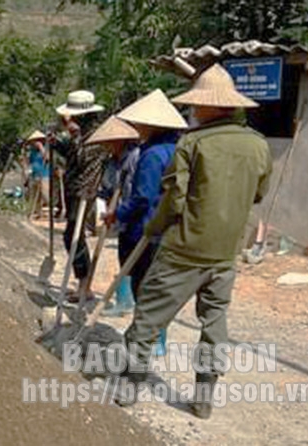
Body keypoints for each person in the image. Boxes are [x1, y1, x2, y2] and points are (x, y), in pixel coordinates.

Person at [115, 65, 272, 419]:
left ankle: (129, 385)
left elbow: (173, 200)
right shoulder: (259, 145)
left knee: (149, 318)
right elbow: (258, 194)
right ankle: (203, 399)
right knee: (214, 324)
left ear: (207, 106)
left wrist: (153, 229)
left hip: (185, 250)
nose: (192, 110)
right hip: (226, 253)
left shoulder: (193, 143)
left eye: (196, 104)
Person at [103, 90, 189, 356]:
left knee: (145, 287)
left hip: (146, 229)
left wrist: (118, 214)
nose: (136, 128)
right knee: (157, 288)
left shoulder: (151, 155)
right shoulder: (177, 148)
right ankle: (154, 338)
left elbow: (143, 197)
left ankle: (150, 340)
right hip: (168, 228)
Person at [51, 90, 106, 302]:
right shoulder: (82, 134)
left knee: (74, 236)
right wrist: (58, 143)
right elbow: (73, 154)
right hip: (74, 189)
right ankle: (84, 283)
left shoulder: (97, 135)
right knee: (72, 235)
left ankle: (85, 285)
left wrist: (73, 135)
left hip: (84, 192)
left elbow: (83, 158)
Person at [86, 116, 140, 318]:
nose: (106, 146)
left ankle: (132, 300)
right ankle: (124, 300)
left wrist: (119, 210)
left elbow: (137, 191)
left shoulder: (135, 157)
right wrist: (101, 196)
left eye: (109, 142)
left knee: (135, 260)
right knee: (124, 256)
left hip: (135, 215)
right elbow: (109, 188)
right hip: (121, 217)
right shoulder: (111, 163)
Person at [24, 130, 50, 219]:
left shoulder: (45, 149)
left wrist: (41, 148)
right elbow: (29, 162)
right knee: (34, 195)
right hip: (34, 174)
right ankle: (38, 213)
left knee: (45, 193)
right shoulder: (32, 152)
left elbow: (48, 158)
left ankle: (50, 211)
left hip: (44, 174)